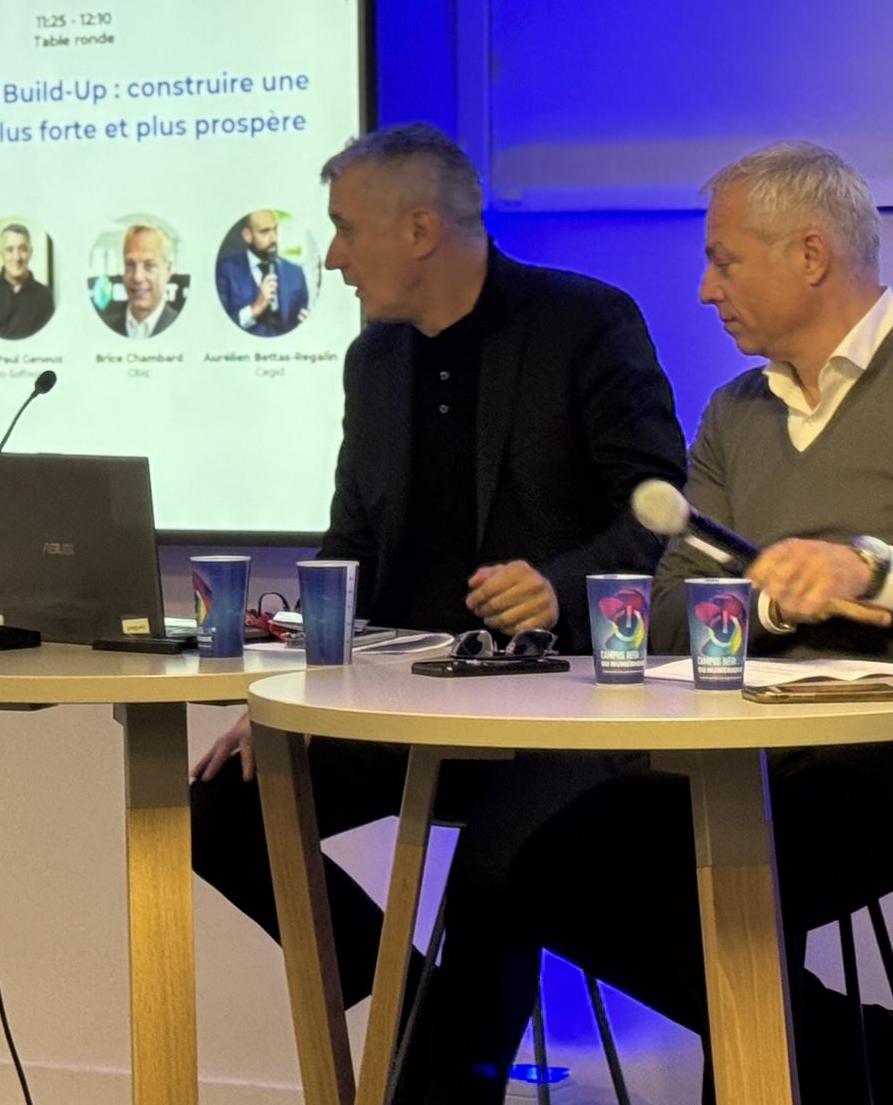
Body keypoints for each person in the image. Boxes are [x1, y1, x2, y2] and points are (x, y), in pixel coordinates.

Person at [430, 142, 893, 1104]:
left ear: (810, 255)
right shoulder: (735, 412)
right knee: (541, 867)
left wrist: (873, 570)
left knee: (716, 885)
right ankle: (847, 1049)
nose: (704, 289)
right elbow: (671, 611)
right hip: (747, 761)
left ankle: (812, 1063)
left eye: (724, 260)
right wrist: (766, 600)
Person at [189, 123, 686, 1098]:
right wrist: (289, 693)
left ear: (420, 230)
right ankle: (414, 998)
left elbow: (657, 508)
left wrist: (558, 584)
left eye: (345, 230)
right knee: (218, 809)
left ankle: (441, 1068)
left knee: (503, 872)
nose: (332, 259)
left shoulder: (584, 322)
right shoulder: (373, 359)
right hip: (399, 695)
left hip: (555, 710)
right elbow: (350, 544)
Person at [214, 207, 310, 336]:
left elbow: (303, 317)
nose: (274, 239)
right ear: (247, 235)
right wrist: (256, 308)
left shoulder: (295, 272)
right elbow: (217, 328)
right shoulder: (224, 271)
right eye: (265, 232)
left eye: (275, 229)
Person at [0, 222, 54, 339]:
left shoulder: (44, 295)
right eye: (9, 250)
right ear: (2, 255)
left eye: (22, 249)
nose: (16, 257)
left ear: (30, 253)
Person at [100, 222, 181, 338]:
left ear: (167, 271)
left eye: (149, 266)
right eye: (130, 265)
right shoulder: (101, 329)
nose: (137, 277)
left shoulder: (185, 329)